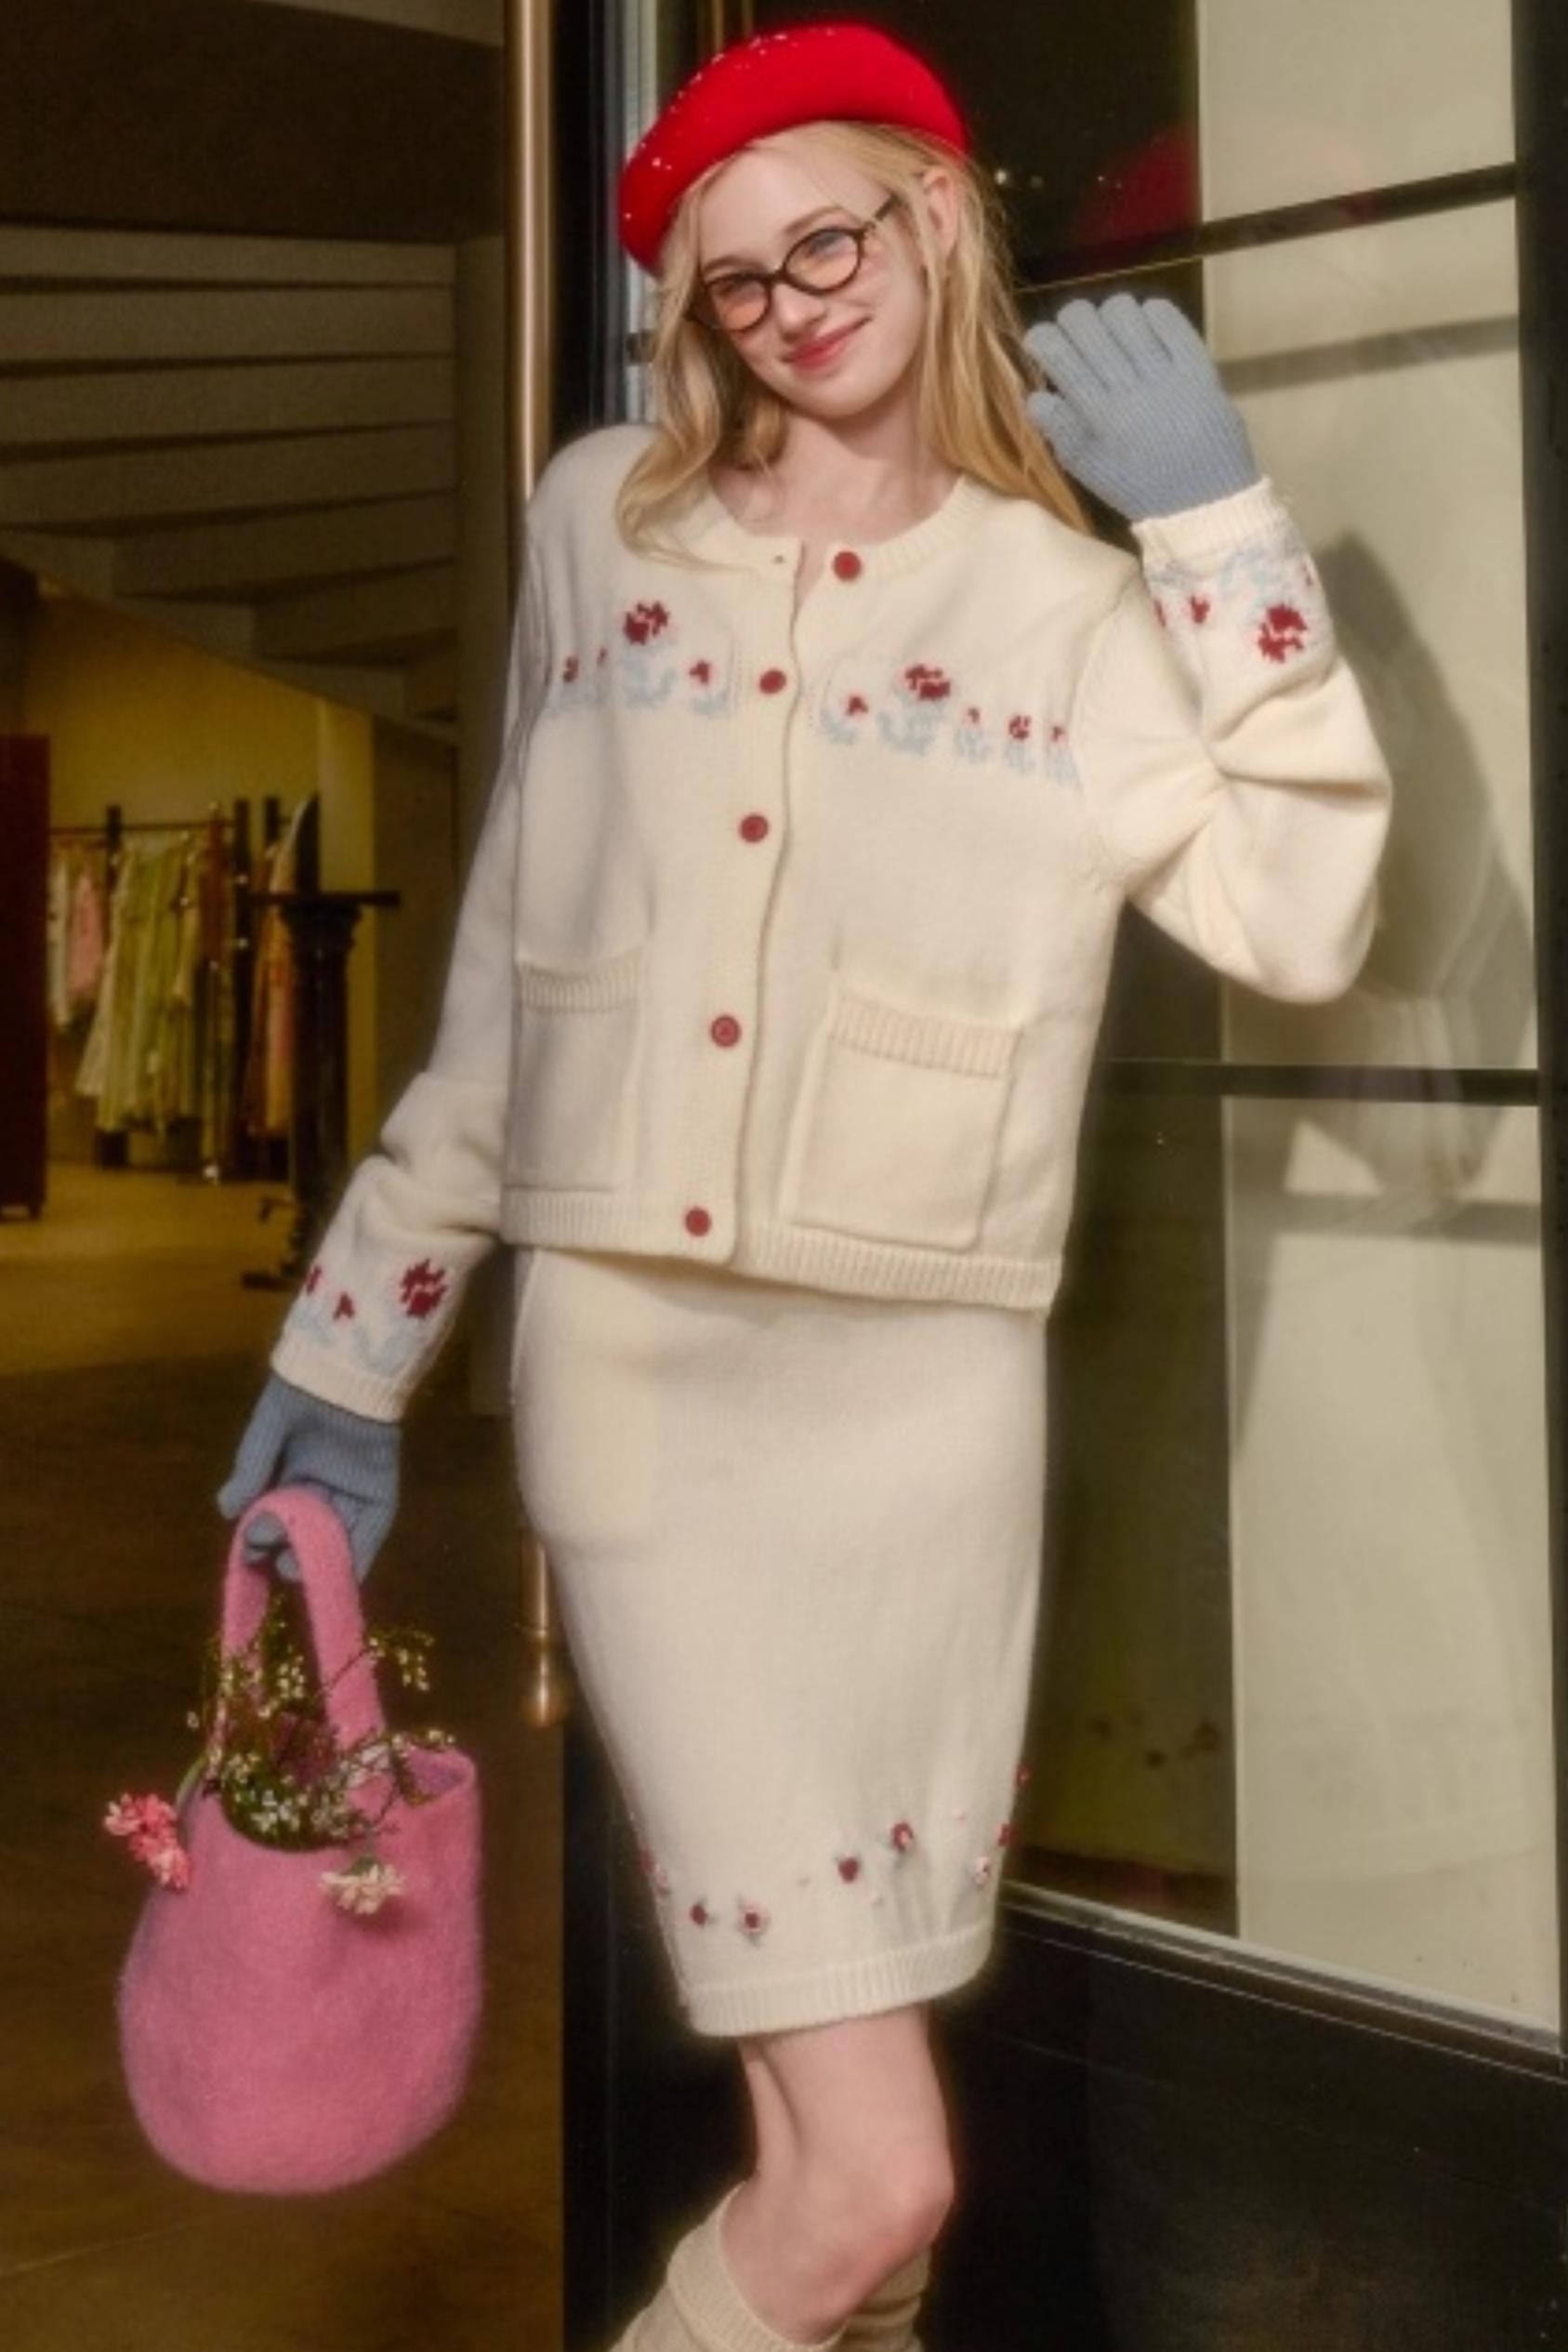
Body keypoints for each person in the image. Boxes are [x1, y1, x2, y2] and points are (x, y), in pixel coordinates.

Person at [218, 20, 1392, 2352]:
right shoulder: (603, 526)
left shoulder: (1063, 605)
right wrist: (351, 1348)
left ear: (937, 218)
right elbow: (518, 986)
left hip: (931, 1413)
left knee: (835, 2179)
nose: (790, 311)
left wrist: (1214, 531)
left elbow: (1302, 917)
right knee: (876, 2173)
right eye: (735, 285)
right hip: (650, 1397)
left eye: (827, 245)